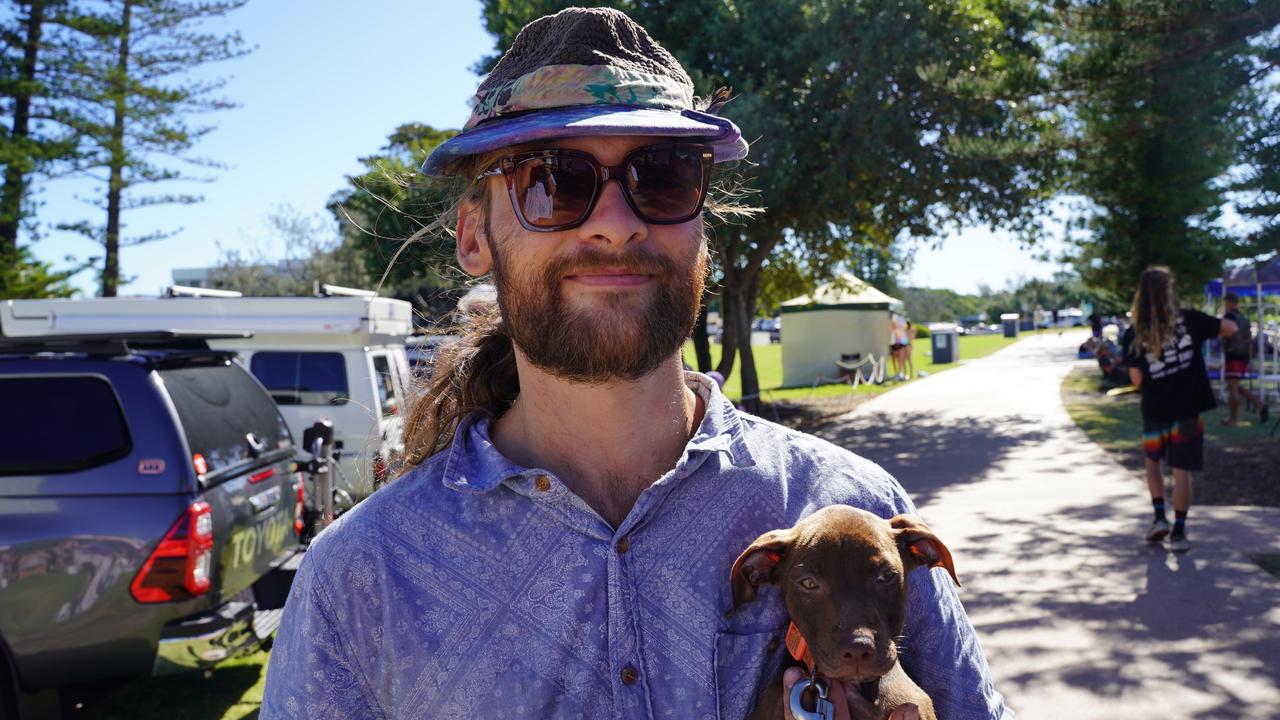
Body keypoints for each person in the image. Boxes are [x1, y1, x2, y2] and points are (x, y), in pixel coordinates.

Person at [262, 8, 1010, 719]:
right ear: (473, 236)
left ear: (702, 230)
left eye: (663, 177)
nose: (617, 225)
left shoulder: (851, 508)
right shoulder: (360, 578)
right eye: (552, 181)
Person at [1121, 266, 1237, 554]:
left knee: (1153, 464)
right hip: (1187, 408)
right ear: (1168, 291)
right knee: (1181, 470)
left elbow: (1136, 379)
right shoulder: (1190, 320)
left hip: (1155, 408)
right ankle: (1180, 532)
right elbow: (1231, 328)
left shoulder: (1134, 333)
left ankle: (1160, 517)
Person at [1221, 291, 1269, 426]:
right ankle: (1259, 404)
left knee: (1233, 387)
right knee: (1236, 386)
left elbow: (1225, 336)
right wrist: (1249, 359)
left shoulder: (1229, 316)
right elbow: (1249, 341)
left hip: (1233, 355)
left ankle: (1233, 419)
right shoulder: (1244, 318)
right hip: (1243, 357)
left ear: (1228, 302)